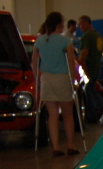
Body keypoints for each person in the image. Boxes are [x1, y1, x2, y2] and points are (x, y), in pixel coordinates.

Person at [32, 11, 80, 157]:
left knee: (52, 115)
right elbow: (71, 62)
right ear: (59, 24)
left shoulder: (40, 40)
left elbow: (34, 61)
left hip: (46, 79)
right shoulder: (66, 41)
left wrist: (37, 78)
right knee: (67, 114)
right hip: (62, 78)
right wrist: (73, 81)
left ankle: (56, 147)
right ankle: (70, 145)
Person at [77, 15, 103, 123]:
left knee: (90, 93)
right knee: (91, 91)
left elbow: (85, 52)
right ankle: (94, 114)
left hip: (87, 68)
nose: (79, 26)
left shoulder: (87, 35)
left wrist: (80, 63)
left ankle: (101, 112)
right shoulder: (98, 35)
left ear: (86, 23)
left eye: (80, 24)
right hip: (96, 67)